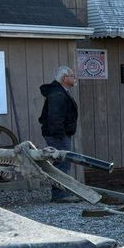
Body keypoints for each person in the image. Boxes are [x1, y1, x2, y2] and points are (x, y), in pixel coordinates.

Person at [39, 66, 79, 202]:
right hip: (57, 135)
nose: (75, 78)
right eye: (72, 75)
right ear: (64, 78)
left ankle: (61, 192)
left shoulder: (61, 91)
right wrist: (60, 135)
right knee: (61, 162)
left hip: (60, 133)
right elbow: (55, 118)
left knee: (62, 162)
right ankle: (59, 195)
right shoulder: (58, 94)